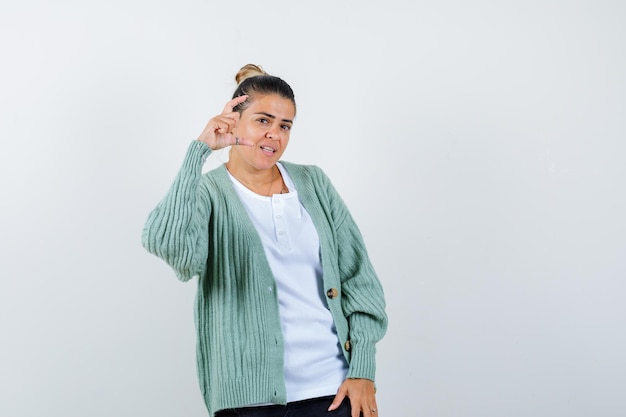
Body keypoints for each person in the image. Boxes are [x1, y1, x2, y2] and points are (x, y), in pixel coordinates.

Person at [142, 64, 387, 417]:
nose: (274, 135)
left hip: (332, 391)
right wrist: (199, 151)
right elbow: (172, 248)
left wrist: (363, 368)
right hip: (247, 399)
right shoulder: (209, 193)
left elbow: (359, 279)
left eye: (284, 126)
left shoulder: (314, 183)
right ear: (233, 122)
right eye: (262, 121)